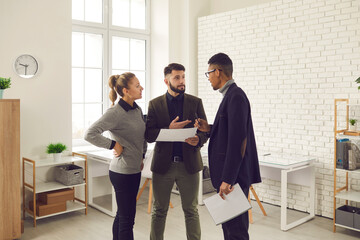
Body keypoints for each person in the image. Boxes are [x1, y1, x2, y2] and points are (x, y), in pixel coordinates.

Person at [195, 53, 261, 240]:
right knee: (230, 229)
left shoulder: (236, 97)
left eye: (208, 73)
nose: (208, 78)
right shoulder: (230, 96)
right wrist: (209, 128)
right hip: (230, 178)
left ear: (218, 71)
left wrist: (228, 179)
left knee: (236, 232)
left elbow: (238, 141)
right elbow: (231, 131)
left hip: (234, 179)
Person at [145, 63, 208, 240]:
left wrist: (198, 140)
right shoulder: (155, 104)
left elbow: (205, 131)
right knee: (159, 210)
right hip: (163, 166)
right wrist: (169, 129)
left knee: (191, 210)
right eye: (176, 78)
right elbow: (149, 135)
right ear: (166, 81)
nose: (181, 81)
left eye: (183, 77)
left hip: (189, 165)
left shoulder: (195, 102)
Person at [84, 73, 147, 240]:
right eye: (137, 85)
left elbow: (142, 136)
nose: (141, 88)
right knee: (128, 220)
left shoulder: (137, 108)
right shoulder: (115, 112)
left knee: (122, 215)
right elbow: (90, 134)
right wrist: (113, 145)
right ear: (126, 90)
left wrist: (141, 156)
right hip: (122, 172)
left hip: (134, 170)